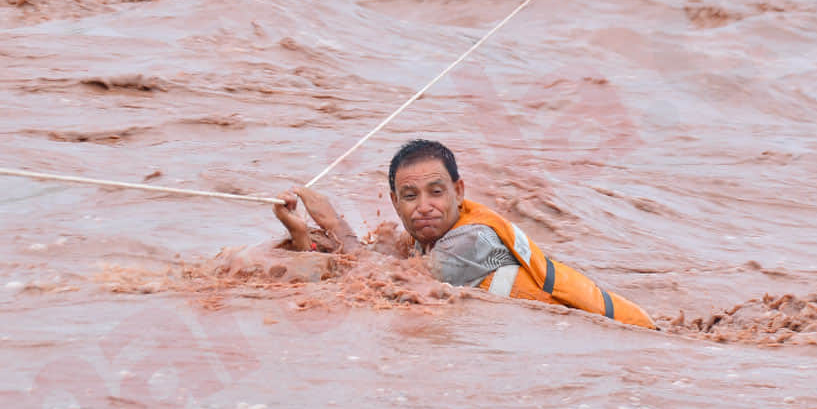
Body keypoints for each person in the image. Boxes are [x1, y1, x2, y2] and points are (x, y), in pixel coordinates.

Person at [274, 139, 655, 328]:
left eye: (436, 192)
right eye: (410, 196)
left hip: (636, 338)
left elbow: (387, 280)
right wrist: (301, 237)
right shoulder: (418, 242)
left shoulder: (472, 240)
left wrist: (335, 224)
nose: (424, 205)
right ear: (394, 202)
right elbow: (359, 266)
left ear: (458, 192)